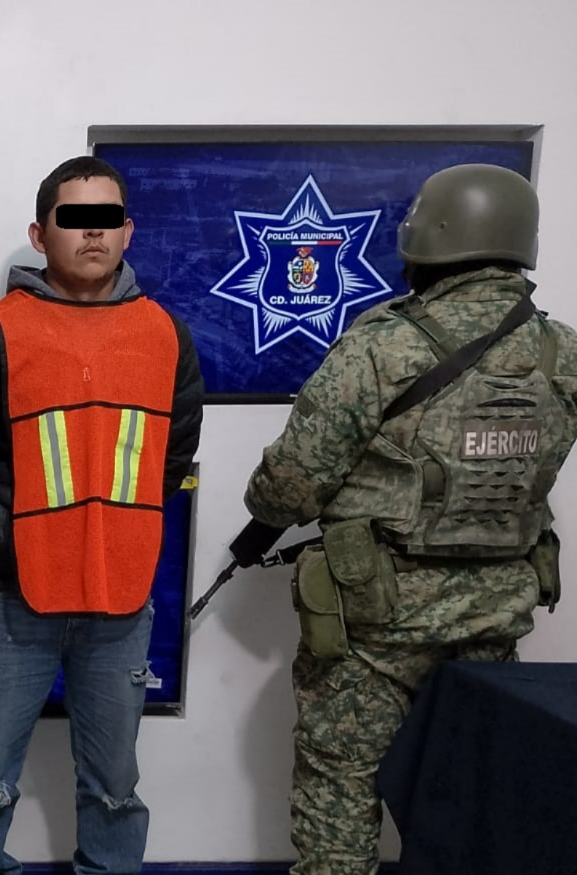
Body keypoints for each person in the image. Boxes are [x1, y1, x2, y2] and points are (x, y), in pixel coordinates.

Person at [237, 162, 577, 875]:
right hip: (495, 620)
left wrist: (263, 511)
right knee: (476, 792)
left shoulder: (383, 344)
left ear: (430, 238)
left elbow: (291, 486)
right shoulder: (561, 352)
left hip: (377, 622)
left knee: (339, 785)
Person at [0, 156, 203, 875]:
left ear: (128, 231)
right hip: (12, 598)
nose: (92, 234)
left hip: (120, 600)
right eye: (74, 219)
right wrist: (8, 542)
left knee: (114, 788)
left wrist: (118, 534)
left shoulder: (166, 335)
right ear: (39, 234)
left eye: (106, 219)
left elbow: (173, 457)